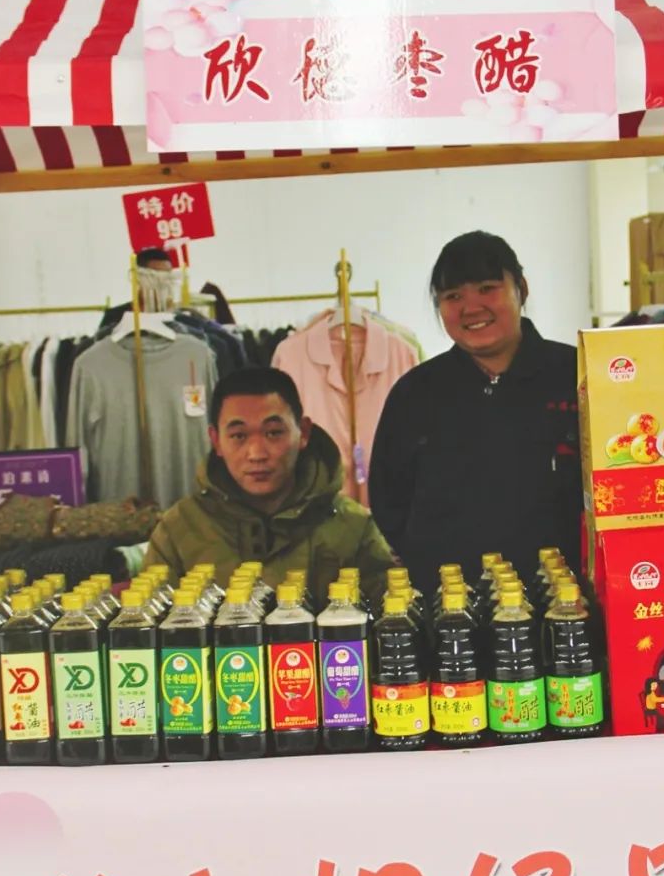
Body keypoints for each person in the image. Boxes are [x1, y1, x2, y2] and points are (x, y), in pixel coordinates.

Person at [368, 231, 581, 593]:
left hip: (565, 603)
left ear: (521, 289)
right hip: (450, 608)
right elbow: (389, 501)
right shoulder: (414, 393)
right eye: (453, 296)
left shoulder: (575, 375)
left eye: (487, 288)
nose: (471, 308)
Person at [143, 365, 395, 607]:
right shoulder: (179, 530)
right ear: (216, 440)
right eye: (239, 436)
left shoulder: (352, 528)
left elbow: (388, 618)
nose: (256, 454)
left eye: (273, 433)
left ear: (303, 432)